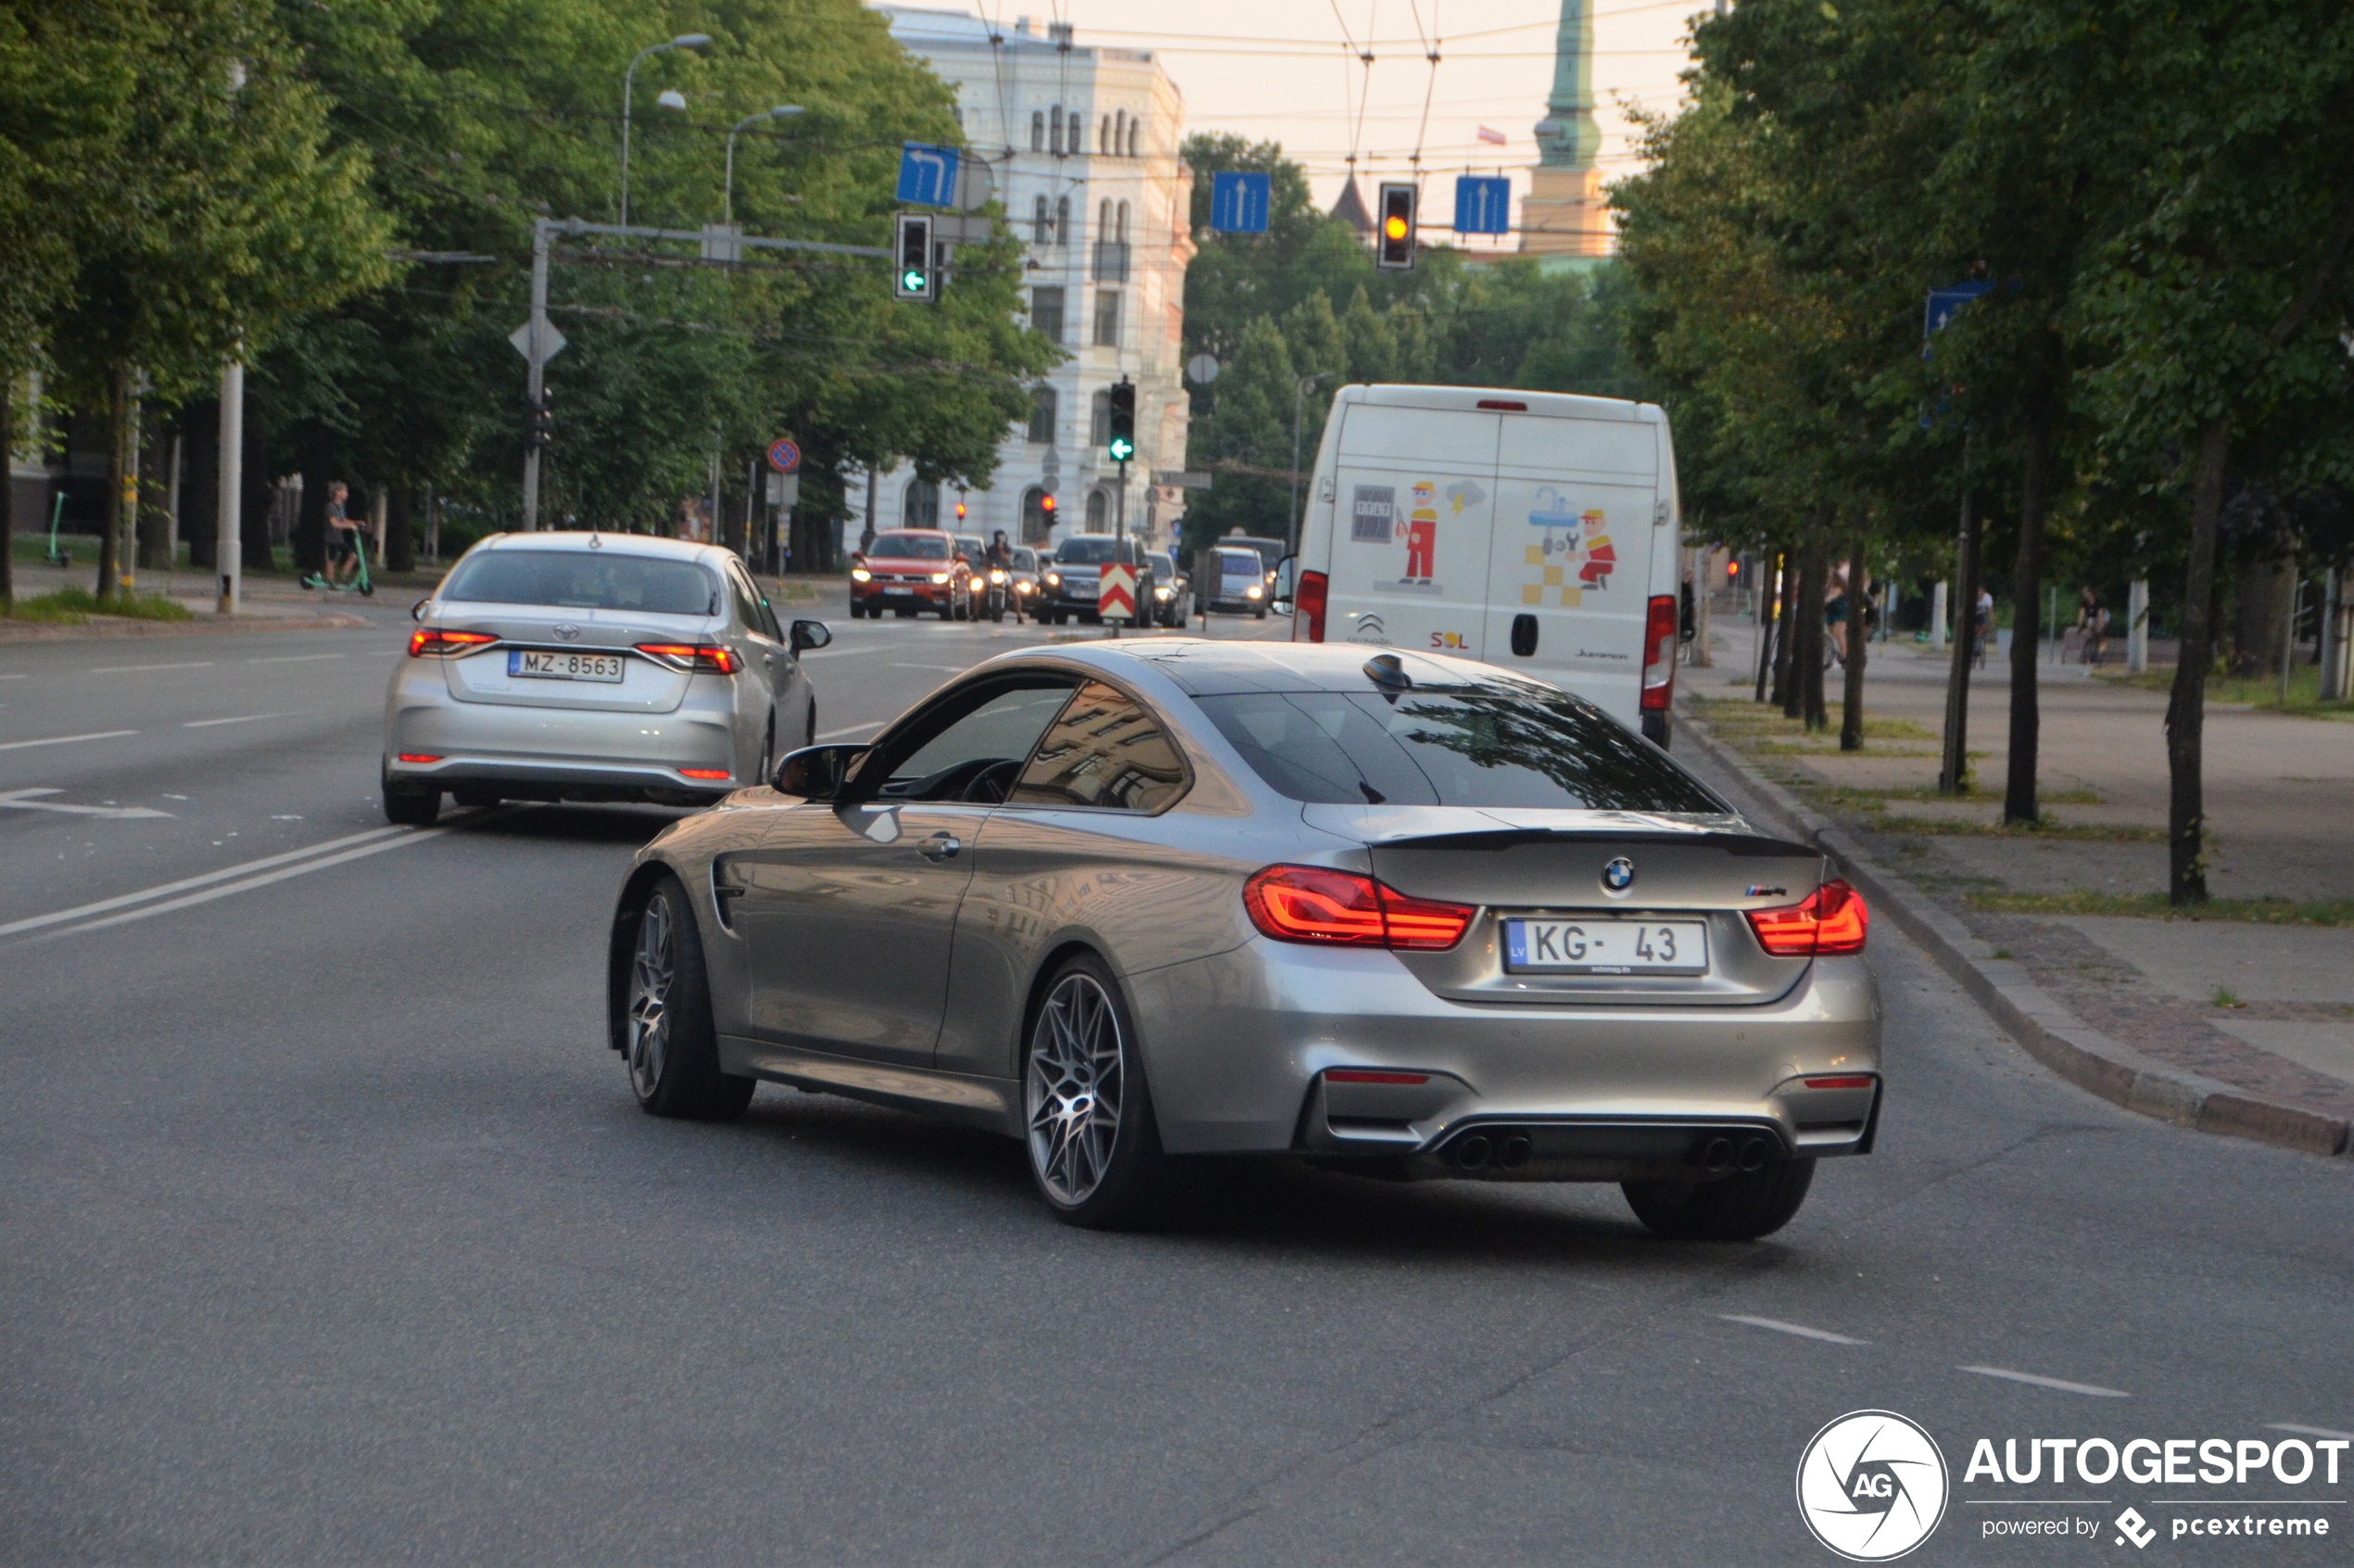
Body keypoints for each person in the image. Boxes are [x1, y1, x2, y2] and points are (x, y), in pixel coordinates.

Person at [320, 484, 361, 587]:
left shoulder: (340, 506)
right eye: (344, 492)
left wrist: (356, 523)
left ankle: (343, 578)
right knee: (331, 560)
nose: (347, 494)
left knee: (352, 556)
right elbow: (334, 523)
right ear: (337, 492)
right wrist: (350, 527)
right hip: (331, 538)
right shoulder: (331, 507)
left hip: (339, 538)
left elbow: (343, 519)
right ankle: (330, 581)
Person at [1974, 587, 1994, 670]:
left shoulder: (1987, 598)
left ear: (1984, 592)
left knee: (1983, 625)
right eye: (1978, 591)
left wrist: (1991, 621)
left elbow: (1990, 610)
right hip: (1973, 613)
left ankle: (1980, 641)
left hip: (1982, 614)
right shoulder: (1972, 596)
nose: (1979, 593)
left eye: (1981, 592)